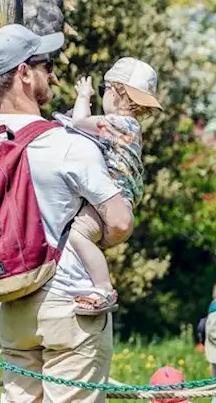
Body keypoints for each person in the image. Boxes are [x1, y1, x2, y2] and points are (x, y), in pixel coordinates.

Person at [0, 24, 134, 403]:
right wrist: (89, 235)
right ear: (23, 73)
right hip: (71, 305)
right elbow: (120, 222)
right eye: (45, 64)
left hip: (13, 303)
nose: (52, 73)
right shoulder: (67, 144)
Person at [62, 57, 163, 315]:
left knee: (77, 235)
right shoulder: (130, 127)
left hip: (110, 205)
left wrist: (83, 95)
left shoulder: (120, 123)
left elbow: (79, 121)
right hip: (120, 206)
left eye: (105, 89)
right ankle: (92, 287)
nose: (102, 95)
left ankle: (104, 289)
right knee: (83, 243)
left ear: (120, 94)